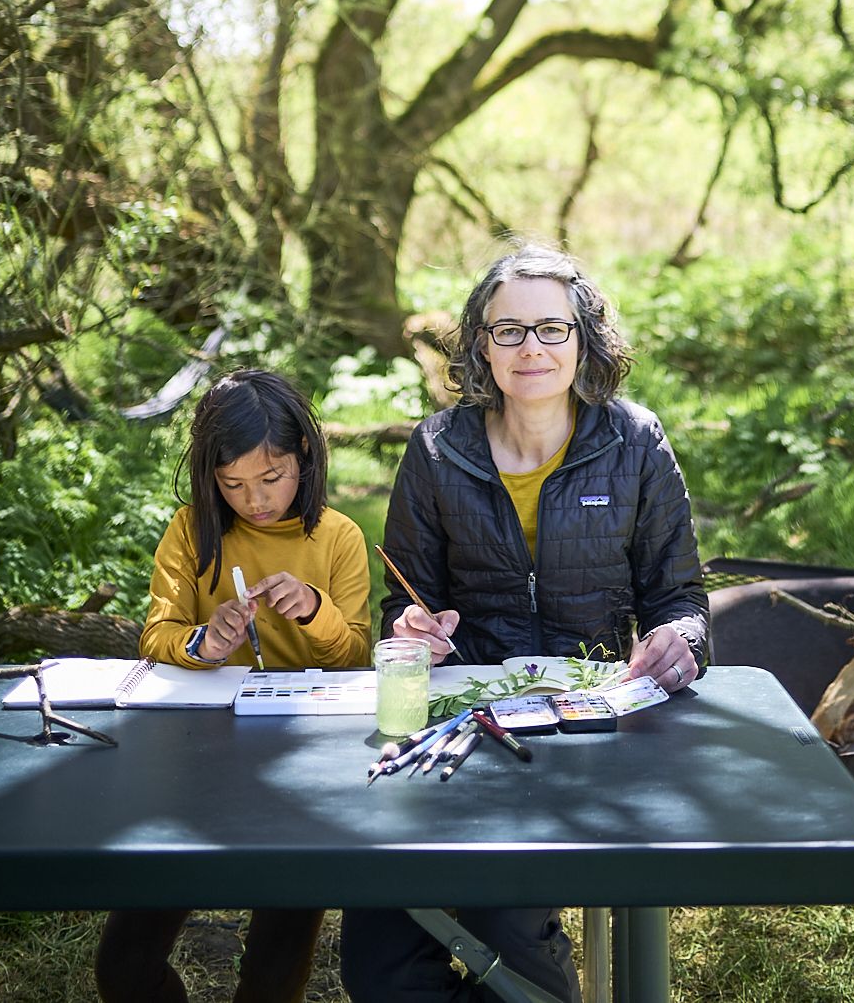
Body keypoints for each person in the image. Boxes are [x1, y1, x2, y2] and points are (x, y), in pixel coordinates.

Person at [340, 243, 708, 1003]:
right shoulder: (437, 448)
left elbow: (680, 598)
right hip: (459, 726)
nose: (530, 348)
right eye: (508, 330)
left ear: (584, 339)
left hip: (588, 726)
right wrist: (413, 629)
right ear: (482, 344)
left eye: (551, 328)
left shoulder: (636, 442)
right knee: (377, 952)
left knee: (505, 923)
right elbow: (403, 605)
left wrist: (683, 640)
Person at [96, 367, 371, 1003]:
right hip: (198, 754)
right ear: (209, 477)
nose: (255, 501)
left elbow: (355, 655)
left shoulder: (338, 536)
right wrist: (204, 643)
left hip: (307, 759)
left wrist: (314, 609)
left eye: (271, 478)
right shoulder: (192, 529)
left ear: (305, 455)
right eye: (233, 484)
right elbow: (158, 635)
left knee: (275, 973)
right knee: (123, 967)